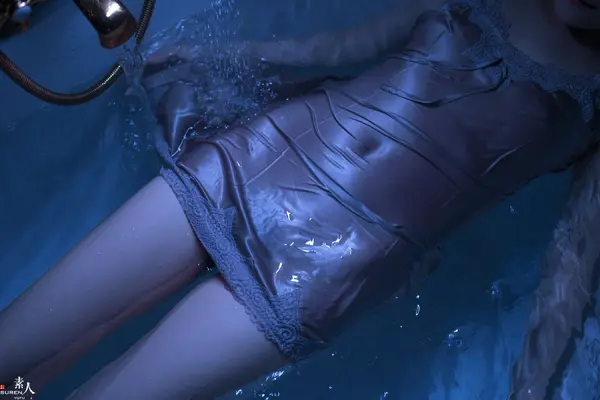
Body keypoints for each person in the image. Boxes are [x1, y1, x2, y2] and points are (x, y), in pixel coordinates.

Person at [0, 0, 599, 398]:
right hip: (256, 158)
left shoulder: (594, 108)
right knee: (12, 349)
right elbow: (338, 49)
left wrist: (530, 389)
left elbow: (572, 261)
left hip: (334, 264)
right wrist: (226, 57)